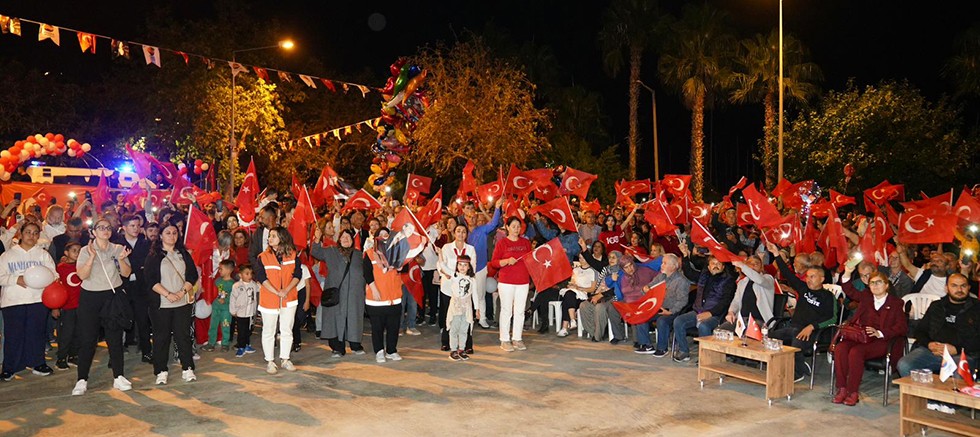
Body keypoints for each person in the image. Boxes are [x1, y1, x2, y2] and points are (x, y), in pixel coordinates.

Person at [72, 218, 133, 395]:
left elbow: (126, 273)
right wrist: (91, 258)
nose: (105, 230)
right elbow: (82, 275)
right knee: (88, 340)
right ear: (93, 231)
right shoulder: (85, 250)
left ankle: (119, 376)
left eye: (108, 228)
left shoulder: (118, 248)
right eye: (101, 228)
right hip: (90, 297)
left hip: (112, 296)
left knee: (114, 339)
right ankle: (82, 379)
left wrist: (122, 260)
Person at [832, 271, 908, 406]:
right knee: (840, 348)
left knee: (856, 352)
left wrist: (880, 332)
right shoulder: (866, 297)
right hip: (861, 336)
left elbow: (901, 328)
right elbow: (850, 291)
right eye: (872, 283)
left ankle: (853, 391)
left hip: (882, 340)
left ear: (886, 285)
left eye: (879, 282)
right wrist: (847, 273)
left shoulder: (896, 303)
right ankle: (842, 388)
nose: (875, 285)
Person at [767, 242, 840, 382]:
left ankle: (797, 373)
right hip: (794, 328)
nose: (808, 279)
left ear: (822, 279)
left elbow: (832, 318)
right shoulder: (803, 288)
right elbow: (788, 274)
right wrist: (776, 254)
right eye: (807, 276)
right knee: (769, 337)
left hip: (814, 333)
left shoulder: (828, 296)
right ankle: (781, 367)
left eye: (812, 276)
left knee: (796, 338)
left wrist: (812, 326)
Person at [0, 222, 58, 381]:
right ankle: (10, 367)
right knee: (13, 335)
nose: (31, 236)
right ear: (20, 233)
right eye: (28, 232)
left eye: (35, 233)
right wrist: (15, 279)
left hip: (37, 300)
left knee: (36, 333)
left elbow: (54, 274)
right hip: (13, 301)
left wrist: (45, 281)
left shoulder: (43, 255)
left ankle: (37, 363)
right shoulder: (7, 255)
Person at [143, 223, 198, 385]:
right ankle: (161, 370)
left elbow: (192, 275)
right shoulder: (154, 255)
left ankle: (187, 368)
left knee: (183, 336)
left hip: (182, 303)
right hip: (161, 304)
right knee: (161, 338)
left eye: (174, 233)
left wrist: (181, 293)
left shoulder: (183, 253)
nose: (172, 236)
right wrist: (168, 294)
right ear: (160, 236)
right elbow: (150, 280)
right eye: (168, 233)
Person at [897, 273, 979, 377]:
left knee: (957, 371)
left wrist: (957, 349)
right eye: (954, 285)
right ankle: (919, 393)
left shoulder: (977, 308)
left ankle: (949, 394)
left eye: (963, 286)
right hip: (932, 351)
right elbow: (920, 331)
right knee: (905, 365)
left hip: (964, 354)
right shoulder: (937, 306)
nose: (959, 289)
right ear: (946, 288)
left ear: (969, 287)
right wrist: (929, 344)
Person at [666, 246, 735, 363]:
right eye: (713, 263)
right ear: (708, 266)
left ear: (723, 267)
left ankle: (706, 357)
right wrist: (686, 256)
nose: (716, 266)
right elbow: (689, 273)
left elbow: (725, 302)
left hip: (716, 315)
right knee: (679, 321)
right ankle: (684, 351)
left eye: (719, 264)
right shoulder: (704, 275)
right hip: (698, 311)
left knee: (704, 326)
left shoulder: (728, 280)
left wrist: (710, 313)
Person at [252, 226, 302, 374]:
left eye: (273, 236)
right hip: (270, 298)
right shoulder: (263, 256)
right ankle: (270, 361)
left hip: (289, 297)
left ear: (282, 237)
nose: (269, 238)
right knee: (269, 330)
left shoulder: (293, 254)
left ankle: (285, 359)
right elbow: (261, 277)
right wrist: (276, 292)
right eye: (270, 236)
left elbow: (298, 274)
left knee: (287, 329)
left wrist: (286, 290)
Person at [311, 228, 367, 357]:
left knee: (353, 319)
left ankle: (355, 345)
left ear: (353, 240)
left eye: (349, 237)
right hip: (336, 294)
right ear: (339, 239)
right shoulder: (331, 251)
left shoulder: (359, 255)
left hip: (354, 295)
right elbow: (316, 252)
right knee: (335, 320)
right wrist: (317, 239)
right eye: (343, 237)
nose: (346, 239)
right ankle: (337, 348)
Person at [489, 217, 533, 352]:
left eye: (518, 227)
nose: (516, 229)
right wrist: (507, 260)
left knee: (520, 311)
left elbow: (531, 260)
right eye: (513, 226)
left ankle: (517, 338)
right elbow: (494, 262)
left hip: (523, 281)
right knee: (506, 310)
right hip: (506, 281)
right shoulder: (502, 243)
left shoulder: (526, 243)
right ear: (507, 227)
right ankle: (504, 339)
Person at [112, 214, 152, 361]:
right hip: (122, 287)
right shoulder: (117, 245)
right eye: (132, 226)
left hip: (141, 288)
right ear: (124, 228)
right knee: (120, 321)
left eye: (137, 225)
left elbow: (148, 265)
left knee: (143, 321)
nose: (136, 229)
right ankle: (116, 355)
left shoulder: (146, 243)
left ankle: (146, 351)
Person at [364, 232, 405, 363]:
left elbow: (405, 269)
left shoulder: (397, 253)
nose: (384, 238)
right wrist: (374, 289)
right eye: (381, 235)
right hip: (376, 298)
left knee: (393, 327)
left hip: (394, 297)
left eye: (386, 235)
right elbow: (366, 273)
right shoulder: (369, 253)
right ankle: (379, 351)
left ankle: (392, 350)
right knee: (377, 327)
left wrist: (402, 266)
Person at [438, 224, 476, 351]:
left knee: (466, 317)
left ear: (466, 234)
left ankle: (467, 344)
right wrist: (444, 273)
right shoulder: (447, 247)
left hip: (465, 290)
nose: (461, 234)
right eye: (458, 231)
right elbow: (440, 264)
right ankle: (446, 342)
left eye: (464, 232)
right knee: (448, 316)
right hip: (449, 287)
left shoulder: (470, 249)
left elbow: (473, 267)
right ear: (454, 233)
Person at [719, 256, 777, 332]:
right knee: (719, 331)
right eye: (750, 264)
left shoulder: (768, 279)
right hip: (741, 320)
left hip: (759, 321)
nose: (753, 266)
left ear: (761, 267)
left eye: (756, 264)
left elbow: (759, 280)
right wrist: (731, 312)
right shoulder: (742, 282)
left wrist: (741, 265)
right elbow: (736, 301)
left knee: (746, 335)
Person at [54, 242, 82, 369]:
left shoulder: (82, 266)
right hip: (66, 306)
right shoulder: (60, 268)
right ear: (66, 253)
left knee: (78, 332)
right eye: (74, 250)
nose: (77, 253)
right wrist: (55, 306)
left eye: (79, 250)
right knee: (66, 333)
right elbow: (55, 287)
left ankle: (73, 355)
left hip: (80, 306)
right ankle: (61, 357)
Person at [556, 261, 597, 337]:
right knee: (568, 295)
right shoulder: (575, 270)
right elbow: (573, 282)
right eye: (580, 258)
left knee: (568, 298)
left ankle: (565, 327)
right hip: (573, 293)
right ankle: (572, 320)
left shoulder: (592, 271)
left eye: (583, 258)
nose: (581, 260)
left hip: (583, 295)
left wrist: (579, 288)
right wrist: (572, 285)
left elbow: (592, 289)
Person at [447, 255, 477, 361]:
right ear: (457, 266)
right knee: (454, 328)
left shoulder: (472, 280)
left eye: (465, 265)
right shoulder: (455, 277)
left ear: (469, 267)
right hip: (455, 307)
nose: (462, 267)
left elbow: (475, 295)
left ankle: (461, 349)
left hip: (467, 308)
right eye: (460, 264)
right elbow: (442, 266)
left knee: (464, 330)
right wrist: (440, 254)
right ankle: (453, 349)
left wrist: (477, 309)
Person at [204, 260, 235, 352]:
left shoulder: (233, 284)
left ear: (229, 270)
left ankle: (225, 343)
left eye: (221, 269)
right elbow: (214, 291)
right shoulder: (217, 281)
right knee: (213, 325)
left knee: (225, 325)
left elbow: (234, 297)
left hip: (226, 309)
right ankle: (211, 343)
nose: (219, 271)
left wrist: (226, 300)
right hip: (216, 307)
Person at [230, 264, 259, 358]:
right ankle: (241, 346)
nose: (249, 276)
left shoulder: (254, 285)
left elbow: (261, 288)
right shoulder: (237, 286)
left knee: (248, 330)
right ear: (240, 275)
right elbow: (233, 299)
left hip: (250, 312)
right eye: (246, 274)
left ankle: (247, 345)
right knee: (241, 331)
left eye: (251, 274)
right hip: (241, 313)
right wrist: (233, 310)